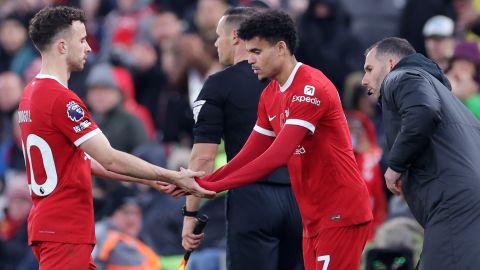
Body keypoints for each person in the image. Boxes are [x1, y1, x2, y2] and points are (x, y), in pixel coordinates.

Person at [18, 6, 215, 270]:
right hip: (65, 229)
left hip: (52, 226)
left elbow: (85, 163)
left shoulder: (30, 94)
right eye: (82, 40)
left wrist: (151, 179)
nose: (88, 48)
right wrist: (172, 176)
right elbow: (109, 158)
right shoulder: (61, 99)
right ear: (62, 46)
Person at [196, 9, 373, 270]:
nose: (251, 61)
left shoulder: (310, 87)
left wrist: (213, 186)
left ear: (280, 48)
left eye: (256, 52)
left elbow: (276, 156)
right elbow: (249, 153)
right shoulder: (270, 94)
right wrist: (204, 182)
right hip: (311, 216)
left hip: (340, 213)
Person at [182, 7, 303, 270]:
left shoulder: (219, 84)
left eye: (218, 36)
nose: (215, 43)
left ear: (235, 36)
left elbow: (203, 157)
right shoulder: (296, 81)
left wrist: (190, 212)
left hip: (252, 200)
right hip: (300, 197)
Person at [361, 36, 480, 269]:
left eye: (369, 69)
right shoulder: (448, 97)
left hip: (452, 202)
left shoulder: (400, 77)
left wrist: (395, 166)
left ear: (391, 63)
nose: (364, 80)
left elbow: (423, 111)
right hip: (463, 200)